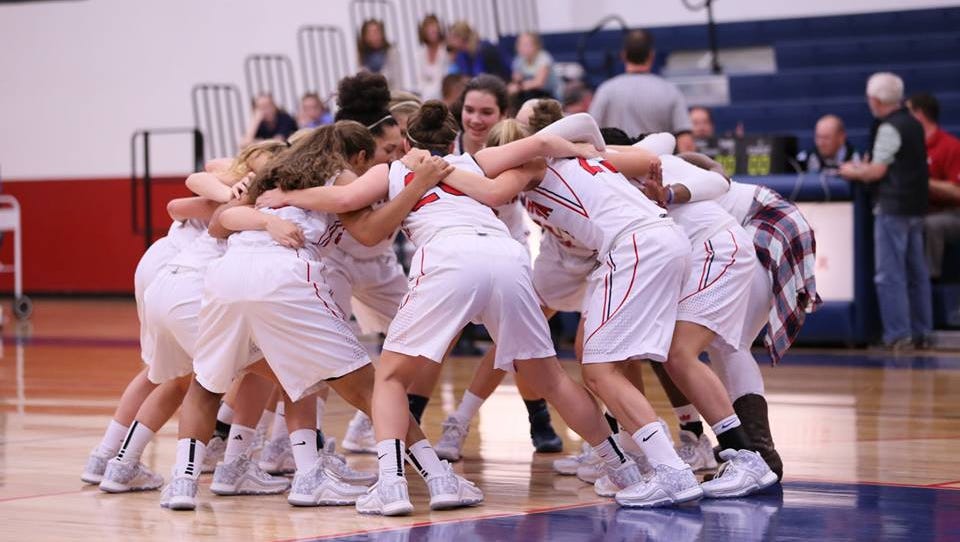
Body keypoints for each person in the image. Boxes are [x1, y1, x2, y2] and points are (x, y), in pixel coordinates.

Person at [439, 113, 778, 504]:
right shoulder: (571, 166)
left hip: (648, 245)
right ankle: (718, 454)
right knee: (639, 358)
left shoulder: (534, 164)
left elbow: (492, 187)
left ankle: (671, 466)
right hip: (659, 241)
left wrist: (435, 170)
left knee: (602, 368)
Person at [840, 72, 933, 350]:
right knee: (916, 273)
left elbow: (877, 170)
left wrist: (852, 171)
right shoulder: (914, 123)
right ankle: (922, 332)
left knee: (890, 274)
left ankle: (898, 334)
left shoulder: (889, 127)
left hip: (892, 207)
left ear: (875, 100)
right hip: (916, 206)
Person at [588, 29, 694, 152]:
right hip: (658, 164)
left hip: (617, 165)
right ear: (651, 55)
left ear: (624, 55)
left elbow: (590, 132)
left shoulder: (606, 90)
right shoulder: (670, 91)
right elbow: (685, 141)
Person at [907, 92, 960, 280]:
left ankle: (930, 279)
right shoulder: (909, 146)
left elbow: (957, 192)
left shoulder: (951, 146)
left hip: (951, 213)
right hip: (917, 211)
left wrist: (922, 181)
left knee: (932, 225)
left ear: (918, 115)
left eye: (908, 113)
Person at [508, 32, 558, 110]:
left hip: (549, 94)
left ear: (536, 46)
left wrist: (518, 87)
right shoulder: (518, 60)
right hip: (530, 93)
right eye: (520, 44)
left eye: (526, 44)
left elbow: (538, 83)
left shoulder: (544, 58)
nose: (522, 48)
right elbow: (516, 80)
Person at [357, 19, 402, 90]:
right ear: (365, 36)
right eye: (370, 32)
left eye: (376, 31)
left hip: (391, 94)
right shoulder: (362, 55)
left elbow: (398, 80)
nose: (374, 35)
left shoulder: (392, 52)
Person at [414, 14, 449, 100]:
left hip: (444, 94)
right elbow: (420, 80)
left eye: (435, 28)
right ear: (424, 32)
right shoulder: (420, 53)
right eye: (429, 29)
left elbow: (445, 78)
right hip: (425, 96)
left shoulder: (446, 50)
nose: (433, 31)